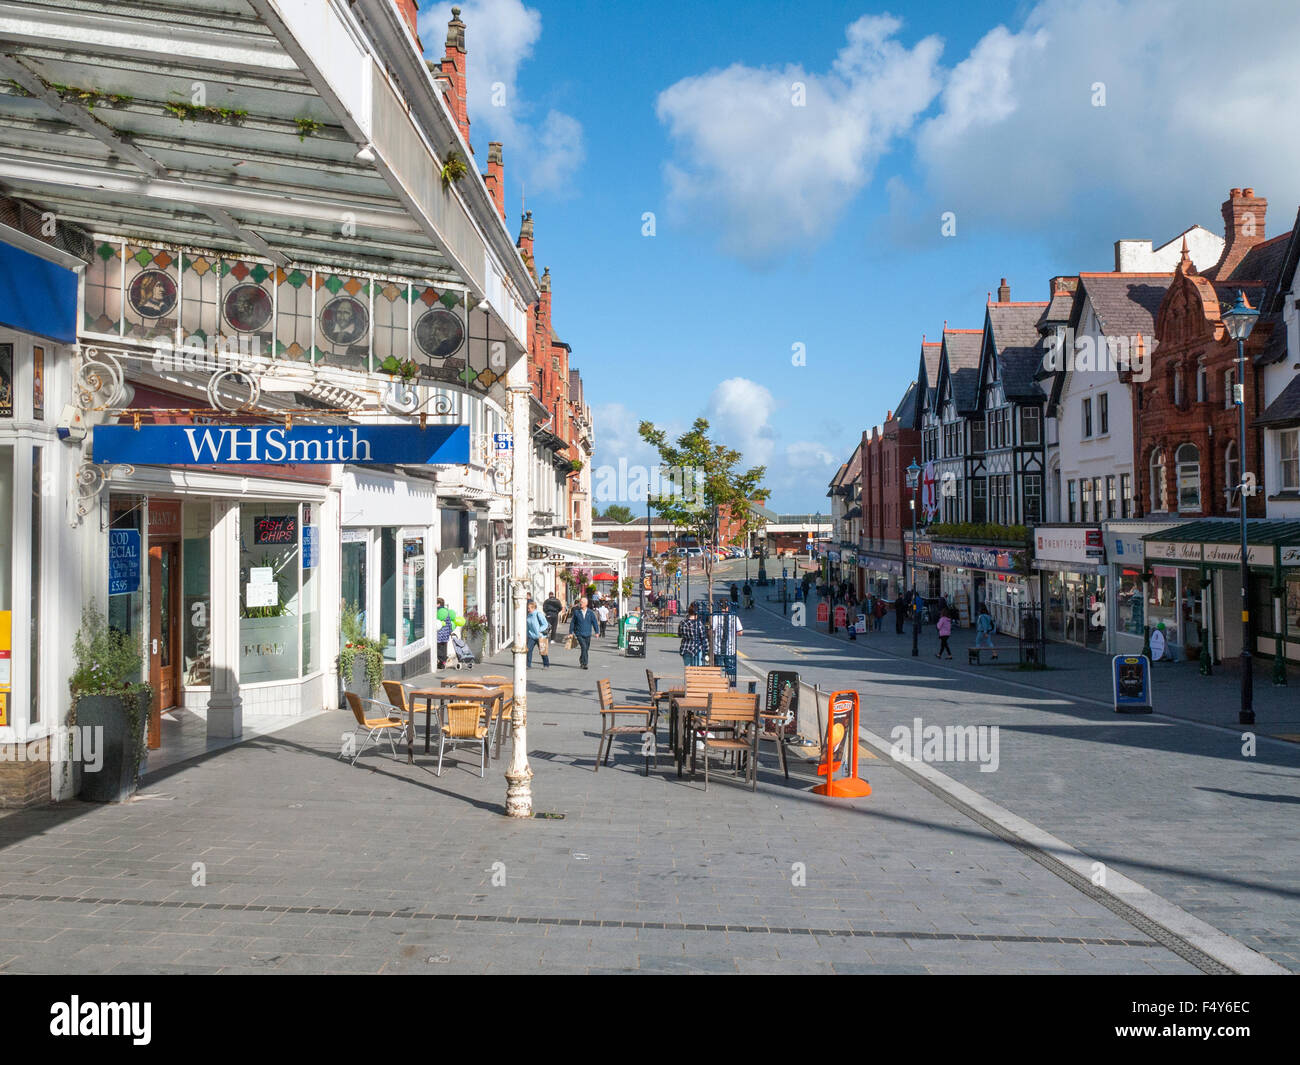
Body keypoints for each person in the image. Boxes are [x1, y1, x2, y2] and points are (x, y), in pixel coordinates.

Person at [711, 599, 743, 678]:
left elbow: (711, 631)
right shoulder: (734, 618)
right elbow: (740, 632)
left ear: (719, 606)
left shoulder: (715, 617)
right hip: (730, 648)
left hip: (718, 648)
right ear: (728, 607)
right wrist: (732, 633)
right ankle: (730, 686)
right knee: (731, 674)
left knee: (717, 672)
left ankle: (718, 687)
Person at [569, 596, 599, 670]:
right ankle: (585, 664)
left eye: (582, 602)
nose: (580, 603)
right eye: (580, 602)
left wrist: (597, 632)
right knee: (584, 647)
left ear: (586, 603)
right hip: (579, 633)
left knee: (586, 649)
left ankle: (582, 659)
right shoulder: (577, 612)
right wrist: (570, 632)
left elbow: (594, 622)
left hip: (588, 633)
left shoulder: (590, 613)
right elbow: (572, 623)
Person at [677, 603, 707, 668]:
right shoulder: (698, 623)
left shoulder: (682, 622)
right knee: (697, 670)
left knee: (688, 670)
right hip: (697, 648)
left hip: (686, 648)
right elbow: (703, 637)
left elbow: (679, 634)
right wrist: (706, 650)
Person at [526, 600, 551, 668]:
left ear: (533, 608)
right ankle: (528, 665)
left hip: (540, 636)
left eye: (529, 608)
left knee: (542, 651)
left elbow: (545, 624)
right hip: (532, 636)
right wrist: (527, 635)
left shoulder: (538, 614)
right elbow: (528, 626)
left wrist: (539, 630)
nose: (528, 610)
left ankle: (546, 664)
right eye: (528, 608)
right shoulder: (528, 616)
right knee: (528, 650)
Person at [435, 597, 453, 668]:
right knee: (444, 647)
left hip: (439, 633)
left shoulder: (438, 611)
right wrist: (450, 631)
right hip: (445, 633)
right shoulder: (446, 611)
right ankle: (443, 661)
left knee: (438, 647)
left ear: (438, 604)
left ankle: (441, 662)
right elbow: (449, 622)